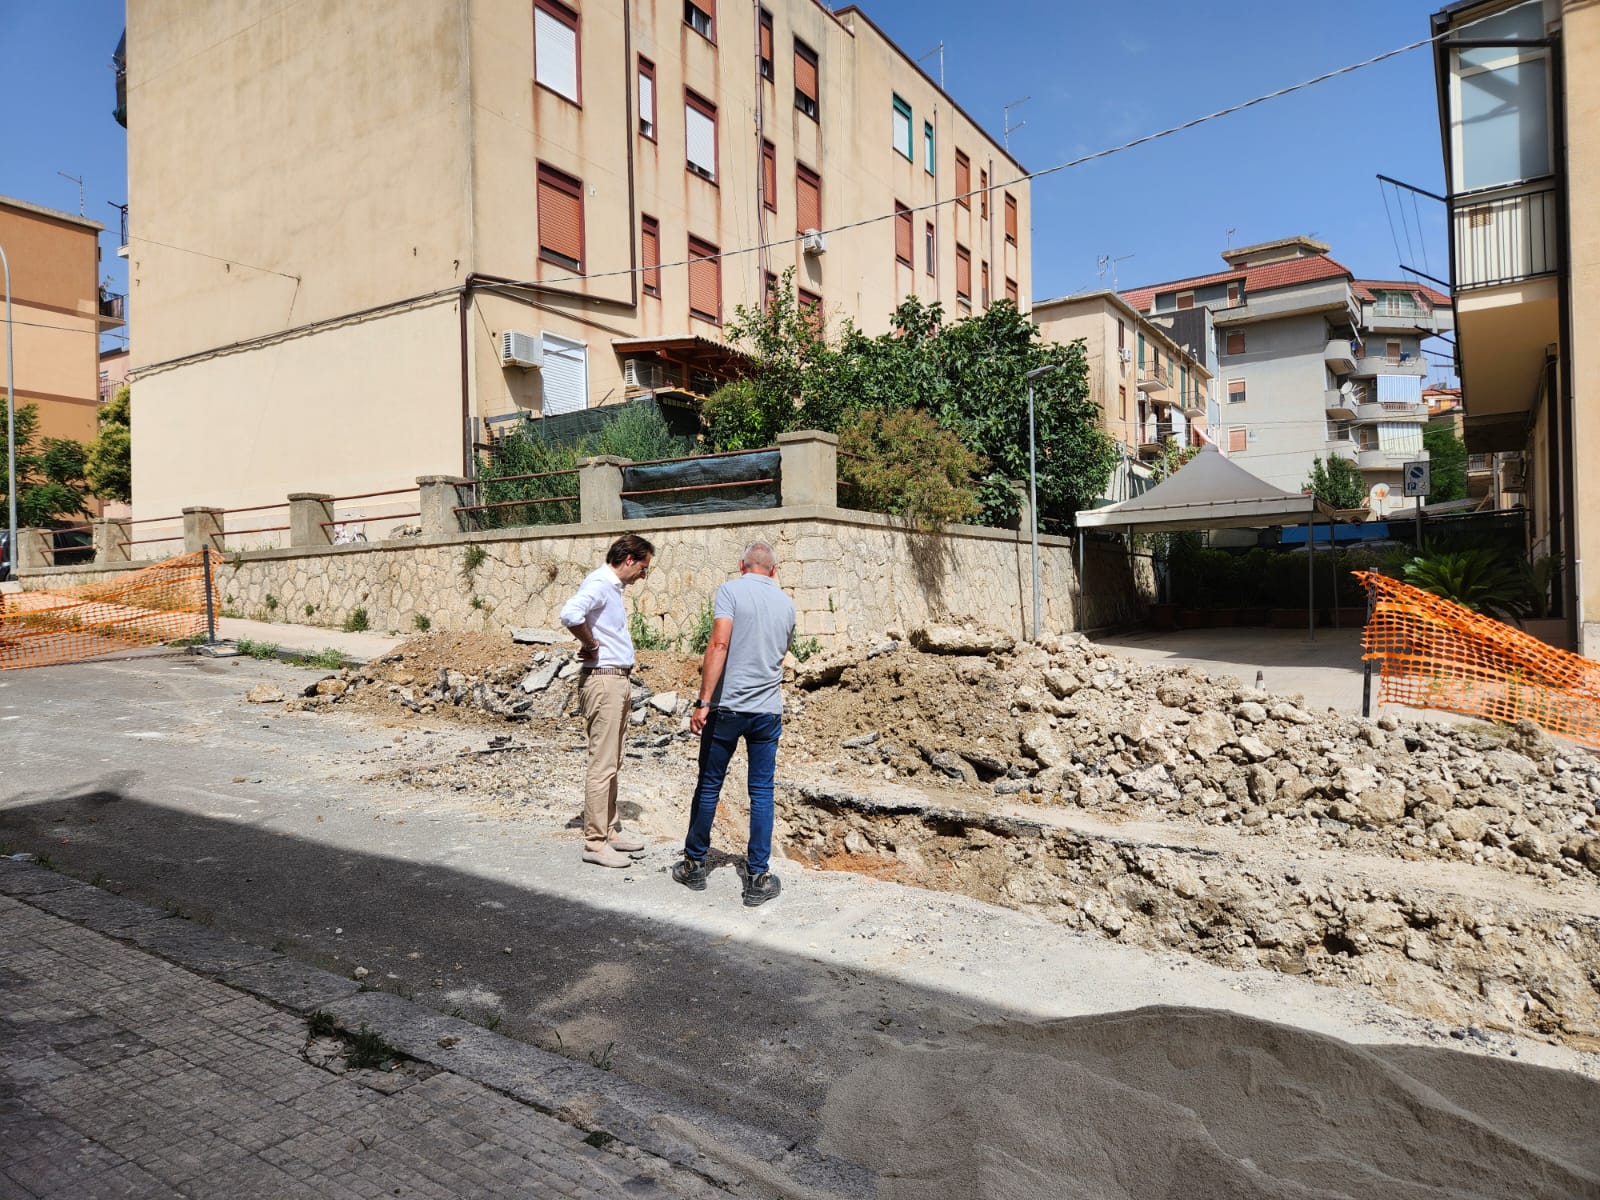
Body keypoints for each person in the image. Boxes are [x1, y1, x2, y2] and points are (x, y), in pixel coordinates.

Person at [671, 539, 796, 907]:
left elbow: (719, 644)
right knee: (762, 792)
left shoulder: (730, 590)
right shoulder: (787, 603)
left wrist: (703, 701)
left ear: (742, 566)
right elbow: (782, 652)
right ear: (773, 570)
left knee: (709, 785)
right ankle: (757, 877)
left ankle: (694, 865)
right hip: (767, 712)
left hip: (727, 709)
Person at [559, 534, 656, 868]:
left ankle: (610, 831)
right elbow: (570, 614)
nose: (644, 575)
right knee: (602, 763)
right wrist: (591, 644)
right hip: (605, 680)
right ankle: (595, 842)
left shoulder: (610, 587)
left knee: (612, 760)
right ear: (629, 558)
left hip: (616, 679)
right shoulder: (601, 583)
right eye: (643, 567)